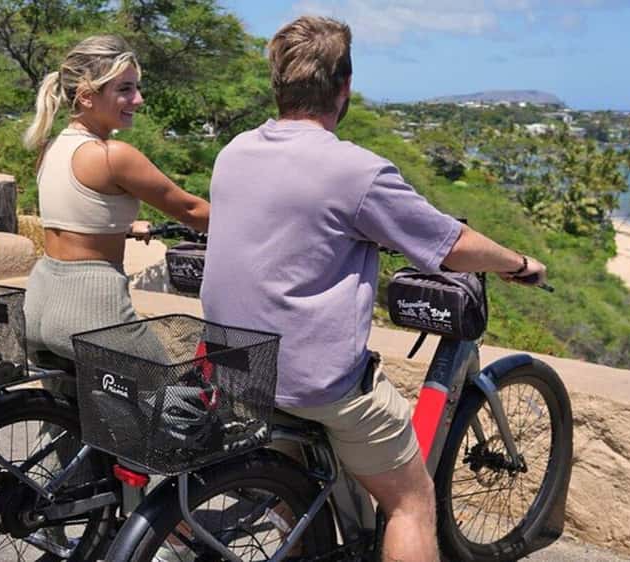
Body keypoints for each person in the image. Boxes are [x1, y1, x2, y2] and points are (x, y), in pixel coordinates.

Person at [201, 16, 546, 562]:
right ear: (344, 88)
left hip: (236, 367)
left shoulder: (234, 152)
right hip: (314, 382)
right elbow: (449, 244)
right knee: (410, 500)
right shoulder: (355, 171)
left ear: (278, 84)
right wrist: (517, 262)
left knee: (301, 484)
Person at [22, 34, 209, 374]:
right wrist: (254, 227)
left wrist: (122, 227)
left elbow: (76, 220)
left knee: (77, 414)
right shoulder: (112, 156)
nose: (137, 99)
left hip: (40, 301)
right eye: (124, 89)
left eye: (136, 88)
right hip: (91, 307)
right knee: (175, 401)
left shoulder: (50, 148)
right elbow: (192, 211)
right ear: (87, 96)